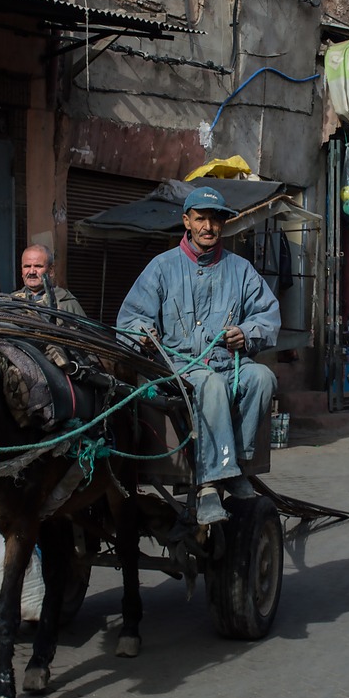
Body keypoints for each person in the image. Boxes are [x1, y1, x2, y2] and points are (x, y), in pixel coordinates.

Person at [117, 186, 280, 525]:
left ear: (223, 224)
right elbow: (130, 319)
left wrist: (246, 334)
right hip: (178, 370)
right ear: (186, 222)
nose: (208, 226)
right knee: (210, 385)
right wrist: (143, 334)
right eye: (201, 219)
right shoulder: (161, 268)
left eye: (215, 220)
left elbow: (267, 317)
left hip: (227, 364)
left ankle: (239, 466)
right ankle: (208, 483)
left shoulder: (242, 270)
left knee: (262, 377)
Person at [12, 244, 85, 315]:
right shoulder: (11, 301)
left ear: (51, 270)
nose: (32, 272)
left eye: (38, 266)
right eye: (27, 266)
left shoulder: (67, 303)